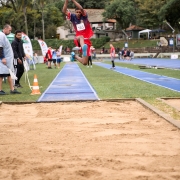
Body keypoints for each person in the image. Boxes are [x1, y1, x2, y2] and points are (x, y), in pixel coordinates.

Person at [62, 0, 94, 65]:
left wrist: (73, 1)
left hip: (86, 41)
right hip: (78, 38)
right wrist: (66, 1)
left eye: (79, 12)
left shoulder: (84, 16)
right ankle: (83, 47)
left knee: (84, 62)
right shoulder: (73, 17)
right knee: (81, 37)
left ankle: (74, 56)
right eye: (77, 12)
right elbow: (64, 11)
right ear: (75, 12)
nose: (79, 13)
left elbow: (81, 8)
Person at [0, 24, 21, 95]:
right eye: (9, 30)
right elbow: (0, 47)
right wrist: (2, 58)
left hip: (8, 59)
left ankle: (12, 89)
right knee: (1, 75)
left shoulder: (4, 36)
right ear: (5, 29)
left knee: (9, 74)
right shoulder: (1, 35)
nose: (10, 31)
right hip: (4, 59)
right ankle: (0, 90)